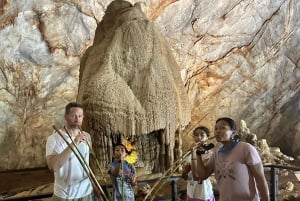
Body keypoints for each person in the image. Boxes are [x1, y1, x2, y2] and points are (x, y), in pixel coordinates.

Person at [196, 117, 270, 201]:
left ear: (233, 132)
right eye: (216, 128)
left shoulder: (246, 148)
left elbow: (260, 179)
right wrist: (198, 155)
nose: (217, 131)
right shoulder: (216, 154)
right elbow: (203, 175)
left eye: (222, 128)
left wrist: (265, 199)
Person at [46, 102, 94, 201]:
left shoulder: (87, 136)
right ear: (66, 116)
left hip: (87, 192)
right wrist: (75, 142)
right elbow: (53, 166)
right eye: (73, 115)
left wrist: (94, 184)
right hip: (65, 195)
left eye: (80, 116)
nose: (77, 119)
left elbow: (87, 162)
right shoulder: (54, 139)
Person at [182, 126, 215, 201]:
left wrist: (193, 153)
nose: (199, 137)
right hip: (191, 192)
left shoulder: (209, 155)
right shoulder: (188, 154)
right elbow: (186, 177)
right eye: (196, 135)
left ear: (207, 137)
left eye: (202, 135)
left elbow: (196, 176)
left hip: (204, 193)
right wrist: (184, 173)